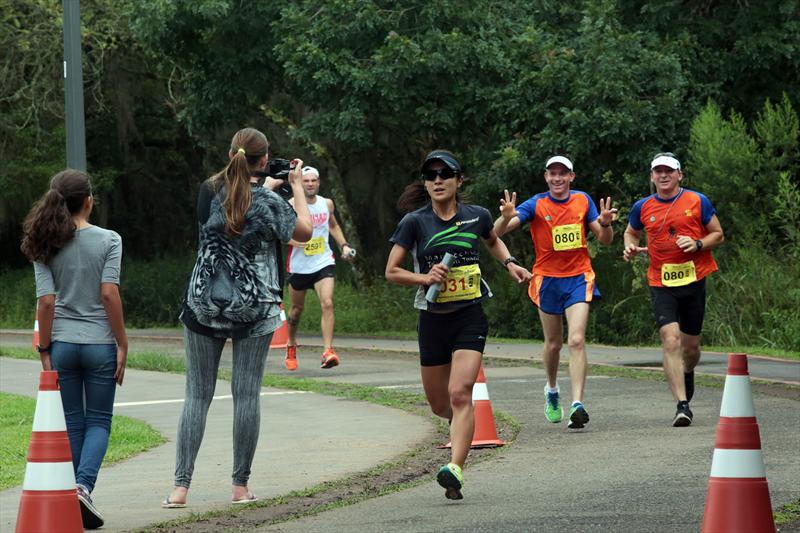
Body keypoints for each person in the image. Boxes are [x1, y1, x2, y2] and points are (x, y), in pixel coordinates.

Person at [163, 128, 312, 508]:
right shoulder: (271, 200)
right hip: (255, 306)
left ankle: (180, 488)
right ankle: (240, 487)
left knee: (196, 395)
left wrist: (264, 185)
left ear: (231, 154)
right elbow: (304, 232)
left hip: (203, 302)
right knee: (246, 396)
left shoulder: (206, 191)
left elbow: (228, 207)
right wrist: (293, 186)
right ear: (264, 161)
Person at [385, 150, 531, 500]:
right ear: (425, 182)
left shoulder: (476, 215)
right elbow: (391, 271)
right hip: (433, 321)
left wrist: (510, 263)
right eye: (431, 175)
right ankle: (461, 427)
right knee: (440, 405)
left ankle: (455, 468)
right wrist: (424, 277)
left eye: (445, 174)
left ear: (458, 180)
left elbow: (492, 240)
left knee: (460, 392)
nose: (437, 180)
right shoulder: (414, 222)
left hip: (469, 316)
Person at [20, 169, 128, 530]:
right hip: (99, 344)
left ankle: (76, 493)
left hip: (63, 344)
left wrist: (45, 348)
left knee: (73, 422)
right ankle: (82, 486)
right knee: (99, 420)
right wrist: (122, 342)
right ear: (89, 201)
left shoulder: (44, 242)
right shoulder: (110, 239)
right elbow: (109, 293)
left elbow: (46, 302)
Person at [494, 156, 616, 429]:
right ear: (546, 177)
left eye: (563, 174)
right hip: (547, 280)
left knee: (576, 340)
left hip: (579, 278)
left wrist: (606, 224)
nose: (558, 179)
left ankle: (577, 404)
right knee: (554, 344)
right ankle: (551, 390)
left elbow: (605, 241)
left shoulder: (583, 200)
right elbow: (496, 234)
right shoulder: (536, 203)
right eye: (553, 174)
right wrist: (504, 219)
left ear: (572, 177)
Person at [623, 152, 724, 427]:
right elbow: (631, 232)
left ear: (680, 175)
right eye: (658, 171)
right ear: (652, 177)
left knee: (690, 348)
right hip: (661, 282)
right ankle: (682, 405)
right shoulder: (642, 206)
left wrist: (698, 244)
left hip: (693, 280)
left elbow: (718, 233)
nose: (663, 175)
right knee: (670, 340)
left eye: (669, 171)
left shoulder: (697, 200)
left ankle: (687, 371)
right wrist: (630, 245)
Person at [284, 166, 356, 370]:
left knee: (327, 303)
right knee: (296, 311)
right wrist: (291, 241)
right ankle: (290, 343)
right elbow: (278, 231)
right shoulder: (291, 205)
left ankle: (328, 350)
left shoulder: (327, 204)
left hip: (322, 261)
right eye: (305, 181)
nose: (310, 184)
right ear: (300, 183)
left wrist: (344, 245)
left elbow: (332, 225)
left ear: (318, 182)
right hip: (298, 265)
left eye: (313, 180)